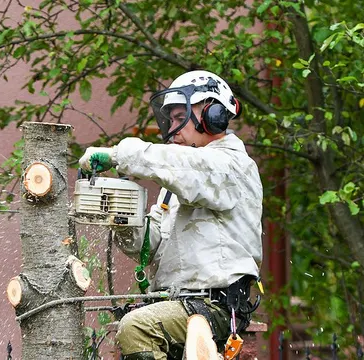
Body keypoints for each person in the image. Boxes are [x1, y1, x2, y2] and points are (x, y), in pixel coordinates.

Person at [78, 70, 263, 360]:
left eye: (180, 119)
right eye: (171, 120)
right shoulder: (179, 185)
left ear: (212, 115)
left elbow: (184, 166)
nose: (172, 129)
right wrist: (123, 215)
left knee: (136, 328)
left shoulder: (231, 166)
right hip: (177, 304)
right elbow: (149, 248)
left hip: (216, 309)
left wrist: (117, 154)